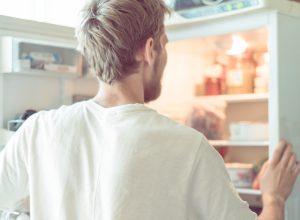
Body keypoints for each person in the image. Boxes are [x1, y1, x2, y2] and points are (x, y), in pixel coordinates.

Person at [0, 0, 299, 219]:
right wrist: (273, 198)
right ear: (149, 49)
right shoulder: (188, 146)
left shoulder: (38, 129)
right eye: (165, 45)